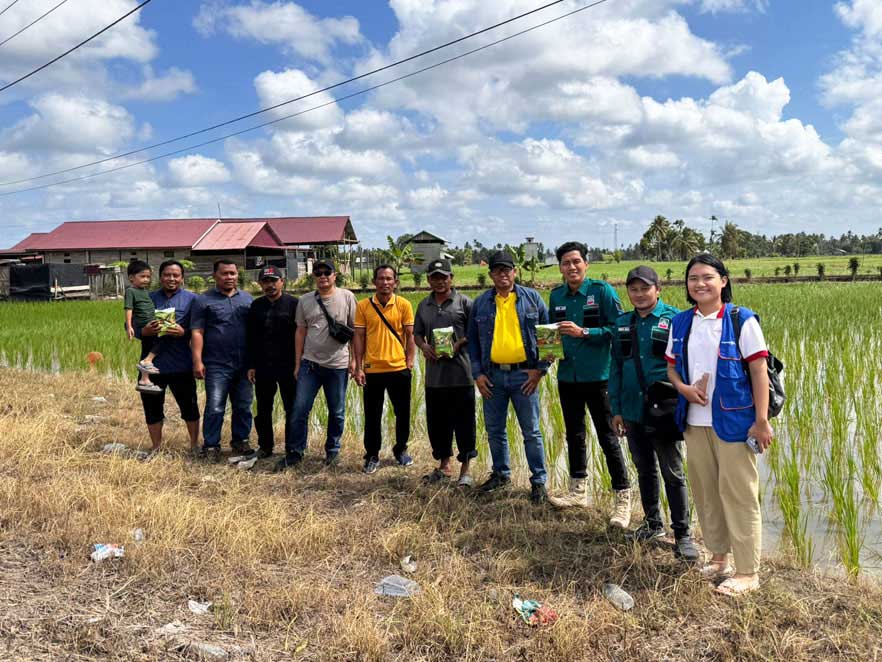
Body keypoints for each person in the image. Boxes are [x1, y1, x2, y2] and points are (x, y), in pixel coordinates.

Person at [666, 253, 773, 596]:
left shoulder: (741, 320)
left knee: (739, 494)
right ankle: (718, 557)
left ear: (723, 281)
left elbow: (759, 372)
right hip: (695, 422)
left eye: (708, 277)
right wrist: (683, 388)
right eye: (693, 278)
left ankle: (748, 571)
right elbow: (671, 368)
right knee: (707, 492)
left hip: (734, 423)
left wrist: (761, 421)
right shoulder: (681, 322)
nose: (699, 284)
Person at [609, 266, 699, 561]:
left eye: (644, 288)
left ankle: (683, 534)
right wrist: (617, 409)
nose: (639, 294)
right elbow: (617, 368)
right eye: (633, 289)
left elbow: (688, 363)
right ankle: (652, 523)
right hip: (633, 410)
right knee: (644, 468)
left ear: (658, 289)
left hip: (663, 410)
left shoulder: (675, 320)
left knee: (672, 472)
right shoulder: (622, 324)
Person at [546, 241, 631, 528]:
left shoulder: (601, 292)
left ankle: (623, 499)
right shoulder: (556, 296)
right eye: (566, 263)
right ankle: (578, 491)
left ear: (586, 264)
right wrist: (547, 347)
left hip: (599, 377)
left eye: (576, 261)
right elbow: (551, 337)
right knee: (574, 434)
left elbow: (618, 329)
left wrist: (585, 332)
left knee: (608, 437)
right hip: (568, 377)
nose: (571, 267)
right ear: (560, 267)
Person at [467, 250, 550, 503]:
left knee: (532, 431)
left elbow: (549, 337)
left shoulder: (533, 299)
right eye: (498, 270)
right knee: (495, 430)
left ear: (515, 272)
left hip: (524, 376)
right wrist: (478, 374)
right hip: (493, 377)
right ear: (491, 274)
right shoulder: (481, 303)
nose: (503, 274)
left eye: (507, 269)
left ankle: (538, 483)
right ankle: (501, 475)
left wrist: (540, 370)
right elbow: (472, 342)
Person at [277, 259, 357, 471]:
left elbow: (355, 332)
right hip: (310, 365)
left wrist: (355, 361)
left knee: (337, 411)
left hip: (338, 365)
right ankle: (295, 452)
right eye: (318, 273)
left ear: (334, 275)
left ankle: (332, 451)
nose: (322, 276)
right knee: (299, 409)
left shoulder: (347, 297)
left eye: (327, 272)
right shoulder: (305, 301)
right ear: (314, 276)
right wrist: (297, 363)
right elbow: (300, 332)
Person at [413, 258, 476, 486]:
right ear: (429, 279)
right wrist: (424, 346)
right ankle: (444, 466)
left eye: (444, 277)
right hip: (435, 377)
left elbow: (474, 332)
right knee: (438, 424)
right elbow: (417, 333)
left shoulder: (465, 303)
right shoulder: (423, 305)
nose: (439, 282)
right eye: (434, 277)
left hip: (461, 374)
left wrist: (458, 344)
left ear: (451, 278)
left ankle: (466, 470)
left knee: (465, 423)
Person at [353, 265, 416, 474]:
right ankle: (372, 455)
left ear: (395, 282)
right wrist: (358, 366)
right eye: (381, 279)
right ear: (374, 282)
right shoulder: (363, 306)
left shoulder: (404, 304)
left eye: (389, 279)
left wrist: (410, 361)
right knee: (372, 415)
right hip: (373, 370)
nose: (385, 282)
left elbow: (410, 335)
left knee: (403, 413)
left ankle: (400, 450)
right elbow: (359, 338)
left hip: (399, 369)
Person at [190, 259, 255, 461]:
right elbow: (197, 332)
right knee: (215, 406)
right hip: (216, 363)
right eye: (224, 274)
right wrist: (197, 361)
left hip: (244, 364)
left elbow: (255, 332)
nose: (229, 277)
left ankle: (240, 440)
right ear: (215, 276)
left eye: (232, 274)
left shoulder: (247, 299)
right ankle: (211, 445)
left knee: (243, 405)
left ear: (237, 275)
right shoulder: (203, 300)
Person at [138, 259, 200, 453]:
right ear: (160, 277)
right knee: (152, 408)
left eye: (175, 275)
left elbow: (199, 329)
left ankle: (194, 445)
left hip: (181, 364)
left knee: (189, 406)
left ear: (182, 278)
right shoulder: (146, 298)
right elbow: (130, 327)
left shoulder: (192, 300)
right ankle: (156, 447)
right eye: (167, 274)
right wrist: (145, 331)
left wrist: (184, 332)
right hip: (152, 366)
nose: (171, 278)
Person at [246, 266, 298, 459]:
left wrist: (299, 365)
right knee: (263, 409)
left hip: (288, 367)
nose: (270, 285)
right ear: (260, 284)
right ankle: (265, 446)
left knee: (291, 408)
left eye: (274, 281)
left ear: (282, 282)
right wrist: (251, 365)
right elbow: (251, 336)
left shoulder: (294, 304)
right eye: (266, 281)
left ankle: (292, 448)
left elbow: (302, 335)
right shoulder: (256, 305)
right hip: (263, 366)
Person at [124, 260, 162, 394]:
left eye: (148, 277)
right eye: (142, 276)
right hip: (143, 323)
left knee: (148, 345)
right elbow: (128, 308)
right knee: (164, 337)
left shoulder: (145, 291)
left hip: (151, 321)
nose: (146, 279)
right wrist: (129, 326)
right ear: (131, 278)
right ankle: (147, 360)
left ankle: (144, 380)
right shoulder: (131, 291)